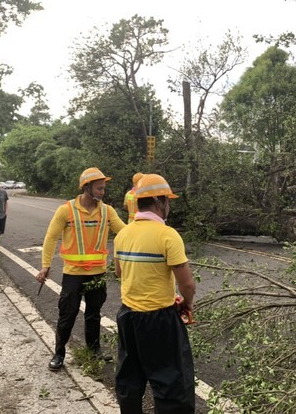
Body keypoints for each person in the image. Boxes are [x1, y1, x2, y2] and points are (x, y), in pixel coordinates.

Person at [113, 173, 196, 414]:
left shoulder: (123, 234)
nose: (169, 206)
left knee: (129, 379)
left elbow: (119, 273)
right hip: (159, 320)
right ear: (160, 202)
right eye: (168, 201)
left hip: (128, 317)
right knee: (172, 384)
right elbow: (187, 285)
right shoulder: (167, 235)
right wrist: (186, 304)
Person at [35, 167, 126, 371]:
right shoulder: (66, 210)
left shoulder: (107, 211)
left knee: (94, 315)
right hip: (73, 274)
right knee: (67, 315)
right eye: (99, 188)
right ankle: (59, 353)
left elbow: (125, 232)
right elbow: (50, 237)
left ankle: (94, 351)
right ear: (86, 187)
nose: (103, 192)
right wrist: (45, 265)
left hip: (97, 273)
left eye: (104, 188)